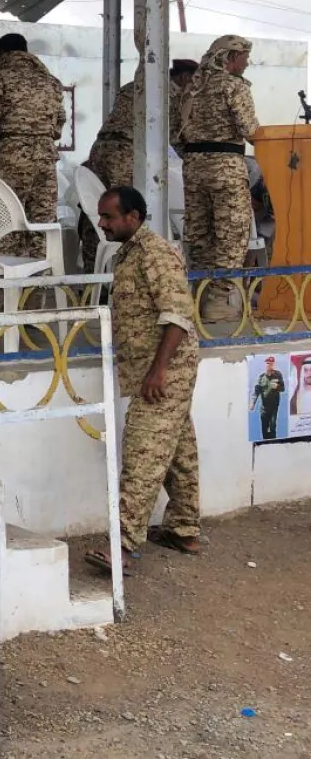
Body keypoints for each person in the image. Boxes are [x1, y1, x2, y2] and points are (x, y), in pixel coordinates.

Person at [86, 186, 201, 576]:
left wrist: (159, 370)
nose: (101, 223)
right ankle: (183, 529)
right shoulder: (129, 253)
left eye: (108, 217)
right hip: (151, 370)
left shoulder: (155, 254)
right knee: (177, 450)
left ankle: (123, 545)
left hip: (165, 371)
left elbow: (178, 316)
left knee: (143, 455)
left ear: (133, 217)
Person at [178, 35, 258, 322]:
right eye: (243, 57)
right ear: (229, 57)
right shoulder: (233, 86)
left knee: (199, 233)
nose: (246, 62)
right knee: (231, 234)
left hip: (193, 166)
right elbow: (249, 129)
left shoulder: (193, 88)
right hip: (226, 166)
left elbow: (177, 131)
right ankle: (218, 302)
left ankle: (197, 297)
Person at [0, 33, 64, 259]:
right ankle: (40, 283)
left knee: (7, 217)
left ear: (2, 54)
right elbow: (58, 127)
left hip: (12, 155)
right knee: (43, 221)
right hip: (46, 157)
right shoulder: (51, 81)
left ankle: (6, 282)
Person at [80, 80, 135, 269]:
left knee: (95, 210)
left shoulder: (130, 86)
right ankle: (122, 273)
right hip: (124, 150)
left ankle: (91, 275)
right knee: (121, 209)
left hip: (101, 146)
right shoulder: (164, 89)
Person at [252, 355, 285, 442]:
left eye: (271, 363)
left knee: (273, 425)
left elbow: (283, 388)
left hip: (274, 407)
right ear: (265, 364)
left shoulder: (278, 374)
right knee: (264, 428)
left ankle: (273, 443)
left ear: (273, 364)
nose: (269, 365)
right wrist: (252, 403)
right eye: (267, 363)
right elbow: (256, 392)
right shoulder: (261, 377)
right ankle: (265, 444)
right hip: (264, 409)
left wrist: (277, 386)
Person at [169, 59, 199, 146]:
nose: (196, 84)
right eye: (196, 78)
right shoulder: (165, 93)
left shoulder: (179, 92)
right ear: (185, 76)